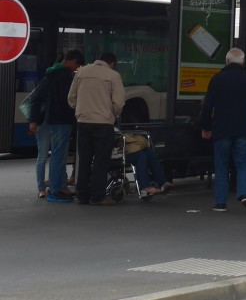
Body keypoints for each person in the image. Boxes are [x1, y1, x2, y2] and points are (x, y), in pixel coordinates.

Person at [200, 47, 246, 214]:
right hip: (244, 128)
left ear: (227, 61)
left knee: (221, 165)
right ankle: (245, 194)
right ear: (242, 62)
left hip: (222, 128)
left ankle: (220, 203)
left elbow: (208, 105)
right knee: (243, 163)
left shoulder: (217, 79)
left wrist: (206, 127)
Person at [68, 52, 125, 206]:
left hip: (83, 122)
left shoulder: (81, 72)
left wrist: (80, 111)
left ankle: (82, 196)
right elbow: (119, 102)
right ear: (112, 63)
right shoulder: (113, 75)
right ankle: (97, 196)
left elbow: (71, 98)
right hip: (103, 123)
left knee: (84, 159)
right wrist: (111, 113)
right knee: (101, 160)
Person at [28, 49, 85, 202]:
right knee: (59, 155)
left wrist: (33, 119)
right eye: (77, 65)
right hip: (62, 119)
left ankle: (59, 186)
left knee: (57, 155)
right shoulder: (66, 76)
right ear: (73, 61)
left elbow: (36, 96)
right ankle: (55, 189)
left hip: (52, 118)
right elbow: (71, 99)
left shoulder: (51, 74)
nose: (76, 68)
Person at [123, 131, 169, 198]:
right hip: (123, 152)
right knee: (141, 156)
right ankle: (144, 187)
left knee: (149, 153)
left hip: (132, 148)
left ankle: (162, 182)